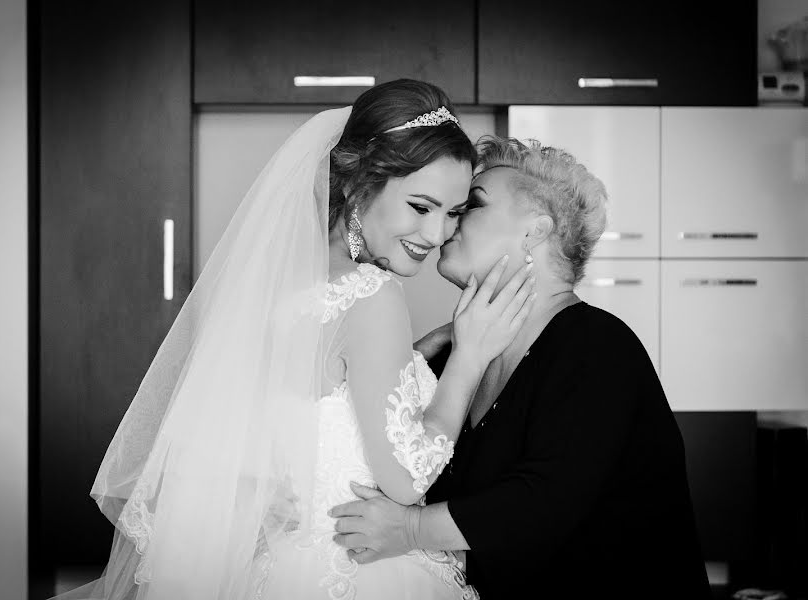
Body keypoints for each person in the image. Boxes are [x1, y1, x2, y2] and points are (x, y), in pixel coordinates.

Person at [48, 81, 534, 600]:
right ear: (360, 182)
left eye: (454, 213)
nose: (436, 234)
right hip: (354, 573)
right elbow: (406, 480)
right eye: (421, 206)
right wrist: (470, 358)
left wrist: (411, 357)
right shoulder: (371, 294)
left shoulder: (278, 285)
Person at [330, 136, 712, 599]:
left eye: (469, 206)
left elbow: (543, 501)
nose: (445, 226)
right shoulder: (453, 356)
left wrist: (410, 530)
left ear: (534, 232)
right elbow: (392, 455)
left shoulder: (599, 345)